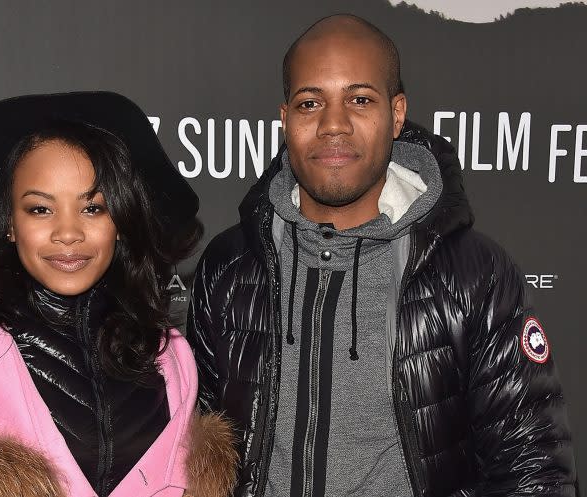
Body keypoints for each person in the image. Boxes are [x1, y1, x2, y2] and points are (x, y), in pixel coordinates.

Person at [187, 15, 577, 497]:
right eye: (311, 102)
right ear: (285, 119)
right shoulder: (227, 267)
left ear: (396, 114)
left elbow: (533, 469)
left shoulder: (473, 274)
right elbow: (193, 457)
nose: (333, 124)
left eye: (359, 99)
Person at [0, 92, 237, 497]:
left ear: (120, 221)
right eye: (40, 209)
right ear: (9, 224)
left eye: (92, 208)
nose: (67, 233)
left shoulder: (168, 354)